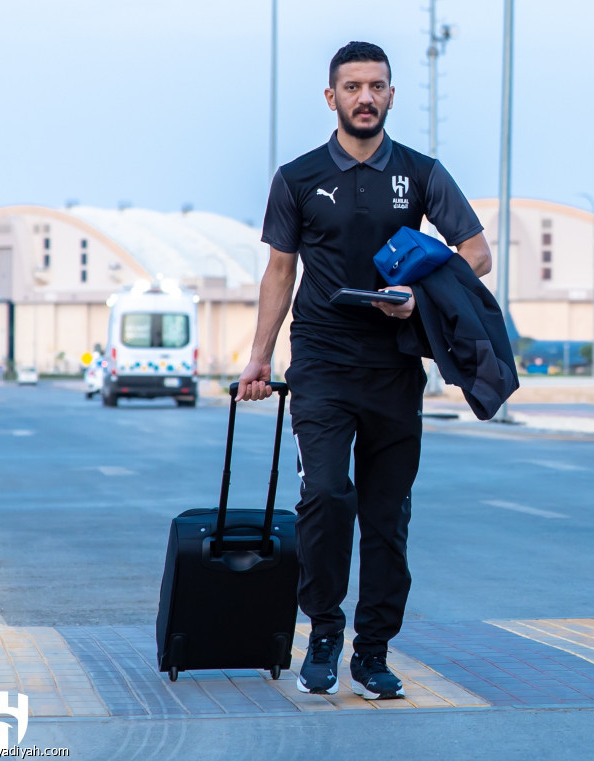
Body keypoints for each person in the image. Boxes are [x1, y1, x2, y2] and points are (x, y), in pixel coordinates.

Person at [236, 40, 491, 701]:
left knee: (386, 515)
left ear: (392, 95)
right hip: (320, 360)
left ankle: (372, 652)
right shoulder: (296, 177)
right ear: (332, 98)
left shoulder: (421, 172)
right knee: (325, 493)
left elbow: (477, 252)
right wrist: (260, 357)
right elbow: (280, 270)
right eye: (353, 87)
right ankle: (323, 629)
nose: (366, 97)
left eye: (377, 86)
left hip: (395, 366)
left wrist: (422, 294)